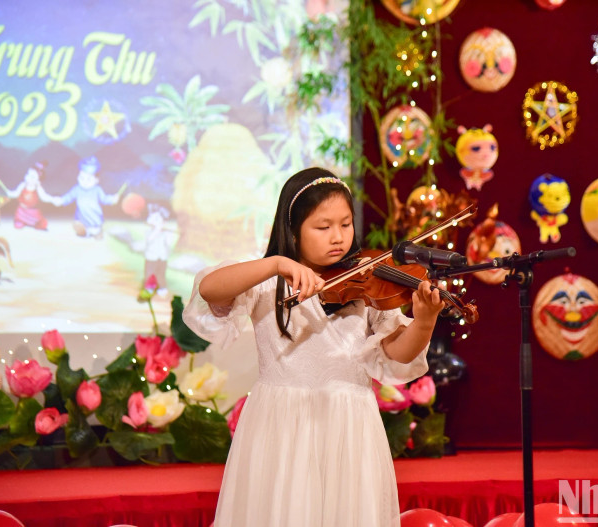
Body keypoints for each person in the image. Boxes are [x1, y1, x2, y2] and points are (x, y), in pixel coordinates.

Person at [182, 167, 445, 527]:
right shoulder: (266, 280)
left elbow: (394, 354)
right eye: (323, 227)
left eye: (346, 224)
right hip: (280, 427)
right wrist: (276, 264)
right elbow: (210, 289)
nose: (338, 237)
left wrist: (424, 321)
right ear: (293, 231)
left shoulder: (367, 282)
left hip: (349, 425)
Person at [54, 156, 126, 238]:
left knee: (95, 229)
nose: (84, 182)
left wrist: (112, 199)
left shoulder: (97, 190)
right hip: (81, 218)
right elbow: (68, 197)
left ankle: (96, 232)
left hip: (94, 217)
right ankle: (83, 231)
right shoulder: (77, 189)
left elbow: (104, 199)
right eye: (82, 178)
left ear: (96, 180)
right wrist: (61, 200)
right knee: (79, 225)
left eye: (88, 179)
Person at [0, 161, 56, 230]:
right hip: (21, 210)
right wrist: (9, 193)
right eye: (28, 174)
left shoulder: (38, 187)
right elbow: (15, 193)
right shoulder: (23, 185)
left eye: (32, 176)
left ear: (38, 180)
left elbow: (44, 197)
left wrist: (52, 199)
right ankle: (20, 221)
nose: (29, 177)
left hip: (33, 211)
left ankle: (34, 223)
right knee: (18, 224)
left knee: (42, 224)